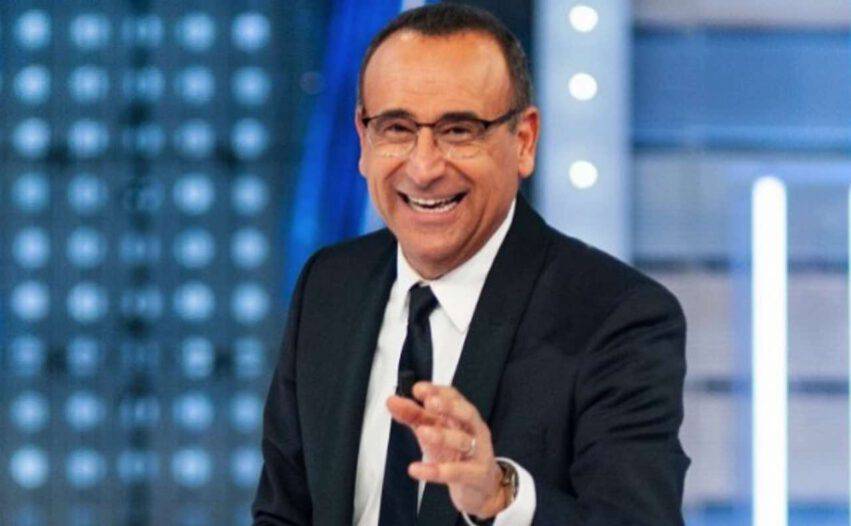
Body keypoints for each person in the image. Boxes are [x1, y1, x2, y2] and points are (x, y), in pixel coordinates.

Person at [252, 4, 688, 525]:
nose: (424, 167)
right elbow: (283, 512)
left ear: (524, 141)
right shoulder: (329, 286)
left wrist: (500, 498)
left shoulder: (618, 317)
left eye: (459, 130)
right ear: (364, 140)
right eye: (397, 128)